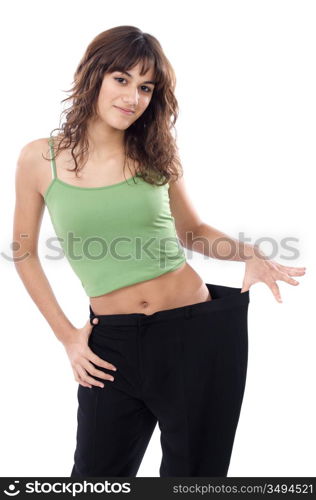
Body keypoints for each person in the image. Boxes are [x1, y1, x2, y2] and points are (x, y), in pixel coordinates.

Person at [13, 25, 306, 478]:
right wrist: (68, 336)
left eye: (146, 87)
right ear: (93, 75)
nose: (133, 97)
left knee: (194, 480)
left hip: (197, 335)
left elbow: (193, 232)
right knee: (93, 480)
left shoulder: (154, 152)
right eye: (122, 79)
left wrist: (251, 254)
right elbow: (25, 253)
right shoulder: (39, 158)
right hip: (110, 342)